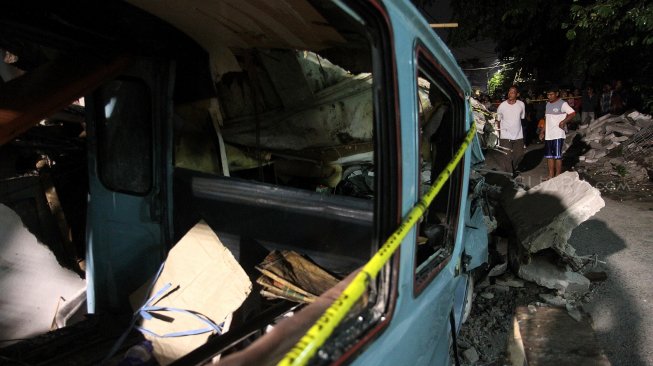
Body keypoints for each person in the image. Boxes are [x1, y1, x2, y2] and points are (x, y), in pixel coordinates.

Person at [539, 85, 576, 179]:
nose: (549, 96)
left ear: (557, 94)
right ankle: (551, 175)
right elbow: (547, 119)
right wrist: (542, 131)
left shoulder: (562, 103)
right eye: (548, 95)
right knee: (549, 156)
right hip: (549, 135)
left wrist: (564, 122)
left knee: (557, 156)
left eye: (551, 94)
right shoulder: (547, 104)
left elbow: (572, 113)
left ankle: (557, 176)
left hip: (558, 134)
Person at [496, 85, 526, 176]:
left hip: (518, 135)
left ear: (517, 94)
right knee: (507, 156)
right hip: (505, 135)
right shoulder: (502, 105)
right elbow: (498, 120)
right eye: (509, 91)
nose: (510, 94)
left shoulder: (521, 104)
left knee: (519, 154)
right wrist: (499, 133)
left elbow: (522, 117)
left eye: (513, 92)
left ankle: (513, 167)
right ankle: (510, 175)